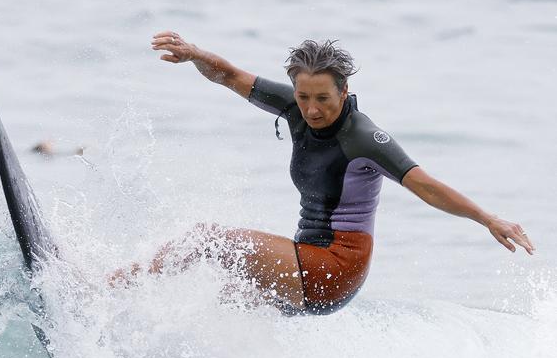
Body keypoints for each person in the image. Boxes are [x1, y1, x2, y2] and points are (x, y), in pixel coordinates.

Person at [110, 31, 535, 315]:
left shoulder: (364, 138)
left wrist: (488, 218)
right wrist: (196, 55)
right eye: (303, 97)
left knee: (204, 240)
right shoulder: (296, 107)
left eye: (323, 99)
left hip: (333, 267)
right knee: (219, 305)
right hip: (305, 262)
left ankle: (104, 292)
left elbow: (425, 185)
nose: (312, 109)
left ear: (344, 92)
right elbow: (230, 76)